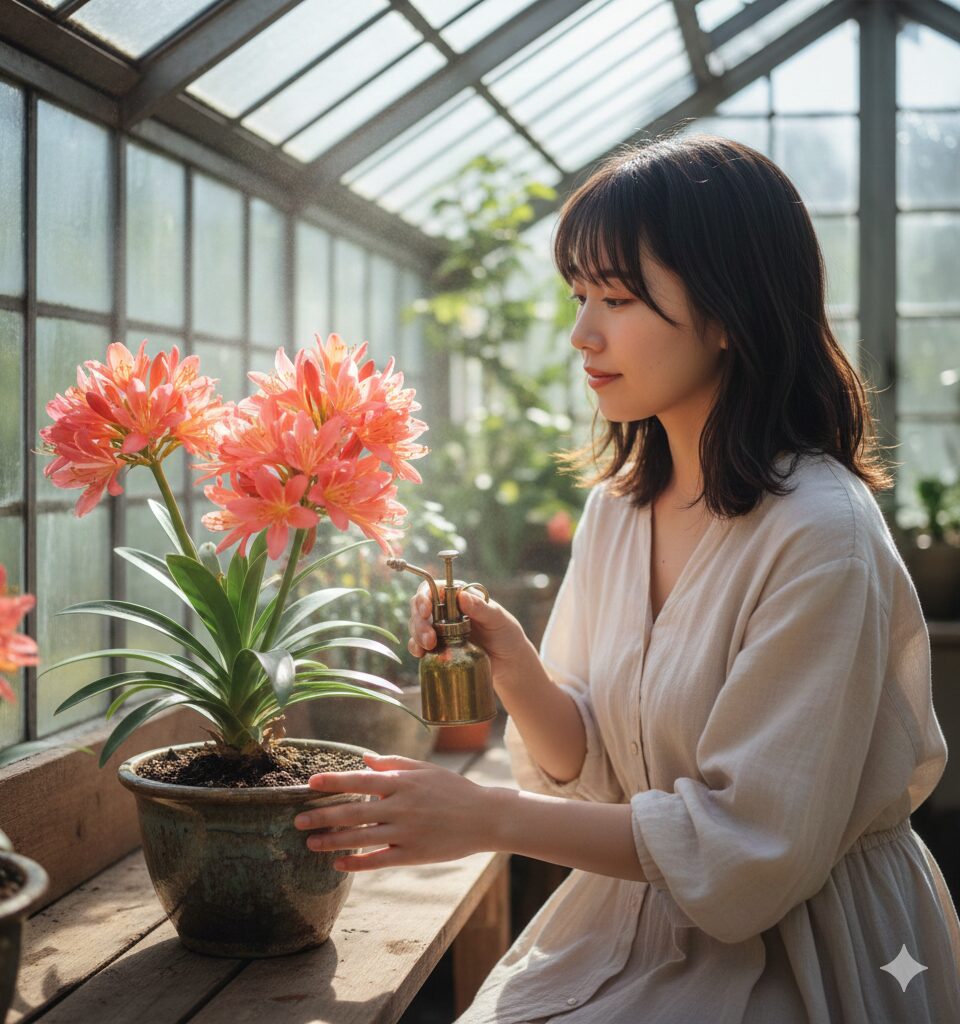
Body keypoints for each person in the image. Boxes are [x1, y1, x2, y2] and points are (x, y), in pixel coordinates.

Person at [294, 134, 960, 1022]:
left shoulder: (820, 534)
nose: (582, 333)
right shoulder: (619, 509)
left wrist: (485, 816)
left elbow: (751, 851)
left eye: (615, 297)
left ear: (730, 313)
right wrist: (517, 668)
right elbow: (597, 775)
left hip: (797, 956)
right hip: (633, 926)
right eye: (579, 295)